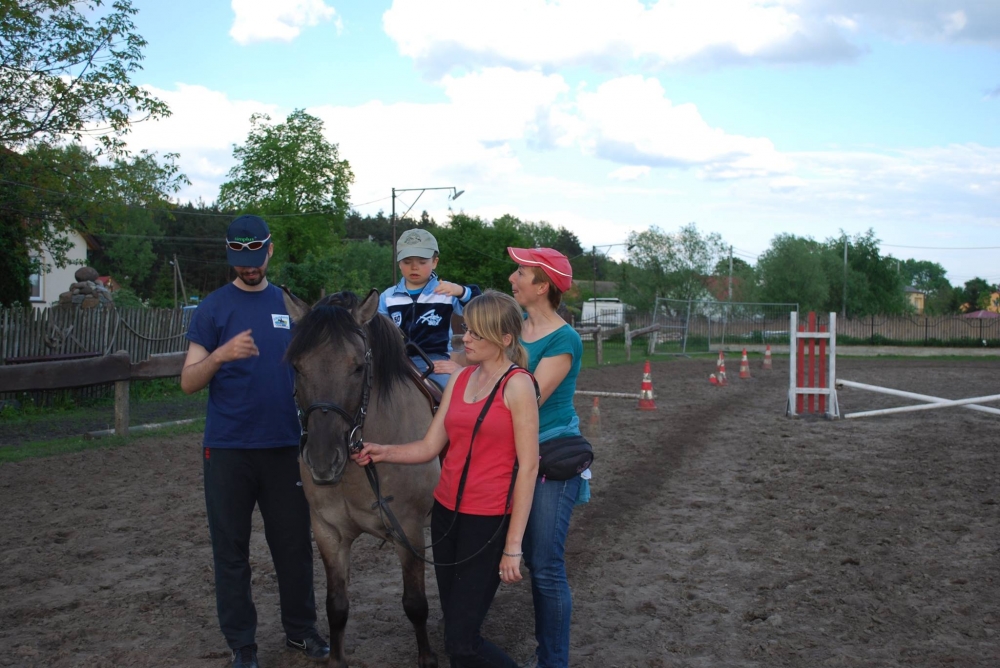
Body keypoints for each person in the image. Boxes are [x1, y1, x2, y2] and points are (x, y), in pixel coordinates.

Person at [353, 290, 539, 668]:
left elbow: (529, 467)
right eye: (465, 329)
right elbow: (429, 446)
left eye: (475, 333)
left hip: (488, 521)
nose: (464, 338)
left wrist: (513, 546)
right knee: (455, 633)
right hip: (446, 515)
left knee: (461, 641)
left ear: (504, 339)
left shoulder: (518, 385)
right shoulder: (460, 378)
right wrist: (382, 451)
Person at [181, 214, 329, 668]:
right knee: (231, 551)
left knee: (293, 547)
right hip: (227, 449)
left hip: (284, 446)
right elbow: (188, 381)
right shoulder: (213, 308)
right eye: (239, 260)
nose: (249, 267)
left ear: (269, 251)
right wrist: (221, 355)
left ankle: (301, 631)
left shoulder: (291, 306)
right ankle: (242, 643)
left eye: (256, 258)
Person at [507, 247, 586, 668]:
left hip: (549, 457)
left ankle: (553, 662)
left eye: (521, 273)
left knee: (544, 564)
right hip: (510, 452)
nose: (512, 278)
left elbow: (529, 399)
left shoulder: (563, 339)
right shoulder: (514, 328)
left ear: (542, 286)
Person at [379, 228, 480, 389]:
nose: (414, 267)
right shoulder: (387, 297)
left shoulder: (446, 291)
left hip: (435, 362)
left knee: (451, 392)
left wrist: (461, 291)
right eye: (407, 262)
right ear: (399, 263)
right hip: (397, 362)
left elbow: (481, 309)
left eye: (422, 262)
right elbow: (378, 332)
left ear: (434, 262)